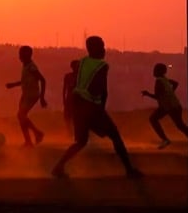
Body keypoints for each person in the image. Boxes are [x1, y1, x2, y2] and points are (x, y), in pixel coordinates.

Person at [51, 36, 142, 179]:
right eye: (101, 46)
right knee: (115, 136)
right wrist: (101, 109)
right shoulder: (102, 65)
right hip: (91, 106)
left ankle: (58, 167)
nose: (104, 49)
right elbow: (101, 89)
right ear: (93, 49)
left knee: (81, 142)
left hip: (77, 105)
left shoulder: (81, 63)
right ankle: (129, 170)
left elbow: (77, 85)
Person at [5, 45, 47, 147]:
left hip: (32, 95)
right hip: (26, 94)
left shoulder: (31, 67)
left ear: (28, 55)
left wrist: (42, 97)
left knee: (21, 115)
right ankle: (28, 141)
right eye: (19, 54)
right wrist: (13, 85)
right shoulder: (26, 66)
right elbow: (25, 81)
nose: (19, 56)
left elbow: (42, 79)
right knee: (21, 117)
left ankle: (37, 133)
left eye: (21, 54)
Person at [140, 63, 188, 149]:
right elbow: (175, 83)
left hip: (170, 107)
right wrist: (170, 92)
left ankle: (165, 140)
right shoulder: (164, 79)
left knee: (154, 119)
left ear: (160, 72)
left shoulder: (159, 81)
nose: (154, 71)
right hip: (172, 105)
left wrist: (147, 94)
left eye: (156, 70)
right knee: (180, 125)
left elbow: (157, 96)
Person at [62, 59, 80, 134]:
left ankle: (78, 131)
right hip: (69, 98)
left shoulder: (81, 76)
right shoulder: (68, 76)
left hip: (78, 99)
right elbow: (64, 88)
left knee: (77, 116)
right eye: (75, 66)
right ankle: (69, 132)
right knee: (67, 116)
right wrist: (63, 98)